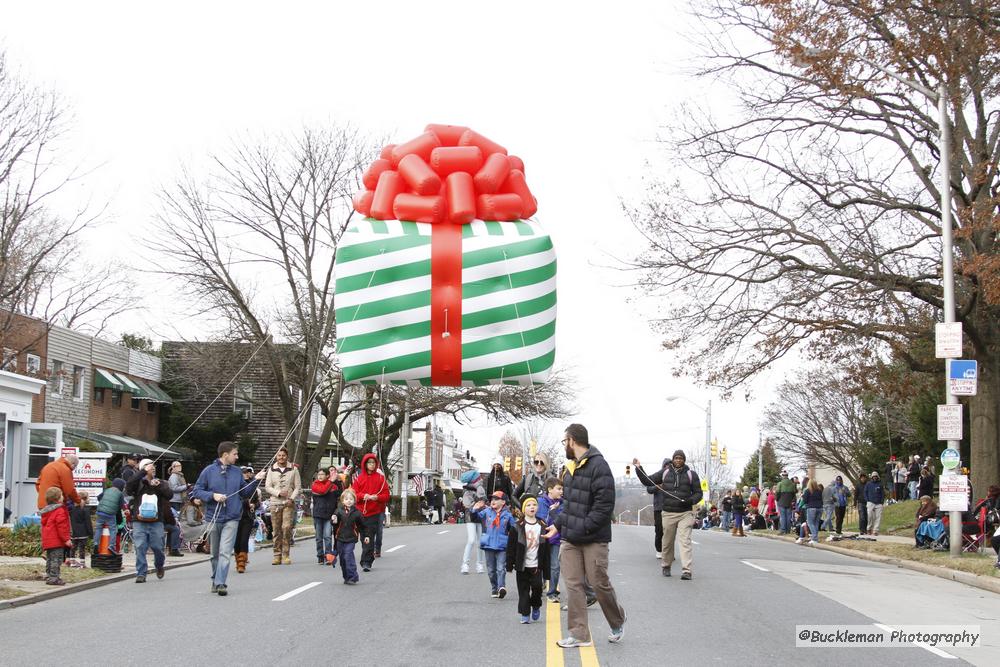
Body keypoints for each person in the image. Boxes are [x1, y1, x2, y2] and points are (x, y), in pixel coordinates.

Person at [548, 424, 626, 648]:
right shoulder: (569, 469)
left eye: (565, 442)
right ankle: (579, 634)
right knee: (573, 585)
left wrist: (583, 527)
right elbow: (569, 505)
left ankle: (617, 620)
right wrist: (558, 525)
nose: (564, 446)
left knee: (598, 583)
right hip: (570, 538)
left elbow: (604, 506)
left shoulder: (599, 466)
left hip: (594, 538)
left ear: (572, 441)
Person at [190, 441, 264, 596]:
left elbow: (244, 493)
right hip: (213, 518)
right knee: (215, 554)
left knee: (225, 552)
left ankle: (221, 583)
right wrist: (213, 496)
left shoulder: (237, 472)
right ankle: (215, 579)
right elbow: (197, 491)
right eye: (235, 454)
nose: (237, 457)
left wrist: (256, 480)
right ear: (225, 455)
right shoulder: (208, 471)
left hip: (232, 517)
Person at [634, 450, 702, 579]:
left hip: (685, 513)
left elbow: (699, 493)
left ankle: (686, 570)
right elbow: (648, 481)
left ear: (684, 460)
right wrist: (638, 468)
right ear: (672, 460)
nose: (678, 460)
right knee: (667, 542)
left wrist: (690, 500)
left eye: (680, 458)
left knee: (685, 541)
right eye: (676, 458)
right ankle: (666, 565)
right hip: (668, 513)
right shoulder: (665, 473)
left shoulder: (691, 474)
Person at [125, 458, 173, 583]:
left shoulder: (161, 482)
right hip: (139, 520)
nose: (152, 468)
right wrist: (141, 473)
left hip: (156, 521)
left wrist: (160, 486)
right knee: (140, 546)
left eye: (153, 466)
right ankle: (141, 573)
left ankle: (159, 565)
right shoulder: (138, 483)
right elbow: (128, 487)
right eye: (148, 466)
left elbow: (169, 495)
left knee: (158, 547)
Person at [506, 495, 550, 624]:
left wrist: (547, 569)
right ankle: (525, 614)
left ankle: (536, 605)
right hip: (522, 565)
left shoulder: (542, 524)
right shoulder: (517, 526)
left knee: (537, 589)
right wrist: (509, 564)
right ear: (524, 509)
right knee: (523, 590)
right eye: (529, 505)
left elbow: (546, 549)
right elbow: (511, 547)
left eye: (534, 505)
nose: (532, 507)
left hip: (537, 565)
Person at [471, 490, 516, 598]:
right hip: (488, 544)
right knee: (491, 570)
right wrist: (474, 509)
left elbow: (514, 530)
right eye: (492, 499)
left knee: (501, 568)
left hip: (502, 546)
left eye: (496, 499)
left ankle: (501, 587)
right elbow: (475, 518)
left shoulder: (508, 515)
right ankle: (494, 588)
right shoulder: (486, 512)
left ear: (503, 502)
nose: (493, 501)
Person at [351, 453, 390, 572]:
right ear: (365, 464)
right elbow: (353, 494)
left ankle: (366, 561)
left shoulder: (380, 478)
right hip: (360, 512)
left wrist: (376, 498)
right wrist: (364, 496)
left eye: (373, 463)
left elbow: (386, 495)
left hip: (374, 512)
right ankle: (367, 555)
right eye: (369, 463)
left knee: (369, 537)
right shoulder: (359, 478)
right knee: (364, 537)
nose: (371, 465)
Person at [264, 447, 301, 565]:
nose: (281, 457)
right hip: (275, 503)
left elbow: (297, 487)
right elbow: (267, 486)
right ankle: (276, 554)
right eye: (279, 455)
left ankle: (286, 554)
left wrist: (291, 498)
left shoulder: (294, 469)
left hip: (288, 503)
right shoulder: (271, 469)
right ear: (276, 457)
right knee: (276, 530)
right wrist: (278, 493)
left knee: (286, 528)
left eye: (283, 455)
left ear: (287, 456)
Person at [40, 487, 72, 586]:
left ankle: (49, 575)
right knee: (56, 560)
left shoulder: (46, 511)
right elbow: (62, 526)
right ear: (57, 499)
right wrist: (66, 539)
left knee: (50, 559)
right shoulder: (59, 510)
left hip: (49, 540)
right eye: (61, 495)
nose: (63, 497)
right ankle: (54, 578)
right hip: (56, 540)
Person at [332, 489, 363, 584]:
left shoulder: (357, 513)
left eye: (351, 499)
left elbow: (363, 526)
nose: (349, 501)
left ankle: (353, 576)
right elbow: (334, 523)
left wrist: (366, 536)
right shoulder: (338, 511)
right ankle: (346, 576)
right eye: (346, 499)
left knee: (348, 555)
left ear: (354, 500)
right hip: (340, 538)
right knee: (343, 559)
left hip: (351, 538)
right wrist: (334, 520)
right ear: (342, 501)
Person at [459, 469, 486, 574]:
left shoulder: (480, 488)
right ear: (474, 480)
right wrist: (477, 505)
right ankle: (465, 564)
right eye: (479, 478)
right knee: (471, 540)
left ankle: (479, 564)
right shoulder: (467, 491)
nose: (481, 480)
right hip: (470, 516)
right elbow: (467, 505)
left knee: (480, 542)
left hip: (480, 516)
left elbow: (484, 500)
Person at [311, 468, 339, 565]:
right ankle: (320, 555)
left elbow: (338, 499)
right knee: (319, 537)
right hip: (318, 514)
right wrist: (331, 481)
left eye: (322, 474)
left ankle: (328, 555)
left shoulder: (334, 487)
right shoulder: (315, 485)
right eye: (319, 474)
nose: (320, 476)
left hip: (329, 515)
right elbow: (323, 491)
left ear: (327, 475)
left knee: (327, 536)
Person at [234, 466, 260, 573]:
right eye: (244, 472)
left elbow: (258, 502)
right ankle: (238, 559)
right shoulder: (236, 486)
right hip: (236, 516)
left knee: (244, 539)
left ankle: (242, 562)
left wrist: (254, 505)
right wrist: (246, 503)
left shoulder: (253, 487)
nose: (246, 474)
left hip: (248, 516)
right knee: (236, 541)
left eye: (248, 472)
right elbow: (237, 500)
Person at [94, 479, 126, 554]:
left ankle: (95, 544)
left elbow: (98, 498)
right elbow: (121, 505)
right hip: (110, 514)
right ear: (121, 486)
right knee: (113, 529)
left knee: (98, 528)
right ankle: (111, 546)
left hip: (100, 512)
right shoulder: (120, 494)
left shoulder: (107, 490)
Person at [69, 490, 93, 564]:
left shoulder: (72, 509)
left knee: (73, 547)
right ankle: (82, 563)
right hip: (83, 532)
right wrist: (91, 533)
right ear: (85, 499)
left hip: (74, 531)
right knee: (82, 548)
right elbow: (88, 522)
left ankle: (72, 561)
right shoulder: (85, 510)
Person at [797, 479, 822, 545]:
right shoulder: (819, 491)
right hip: (819, 508)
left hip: (811, 508)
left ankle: (814, 538)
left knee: (810, 523)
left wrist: (802, 496)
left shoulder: (808, 491)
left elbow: (805, 501)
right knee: (816, 523)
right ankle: (815, 538)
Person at [864, 472, 885, 536]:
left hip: (878, 503)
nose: (875, 477)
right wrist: (867, 500)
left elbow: (882, 493)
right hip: (870, 502)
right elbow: (865, 492)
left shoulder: (880, 484)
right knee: (870, 515)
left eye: (876, 476)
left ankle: (875, 530)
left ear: (877, 477)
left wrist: (881, 502)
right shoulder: (868, 484)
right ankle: (869, 528)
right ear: (872, 477)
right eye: (873, 476)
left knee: (878, 517)